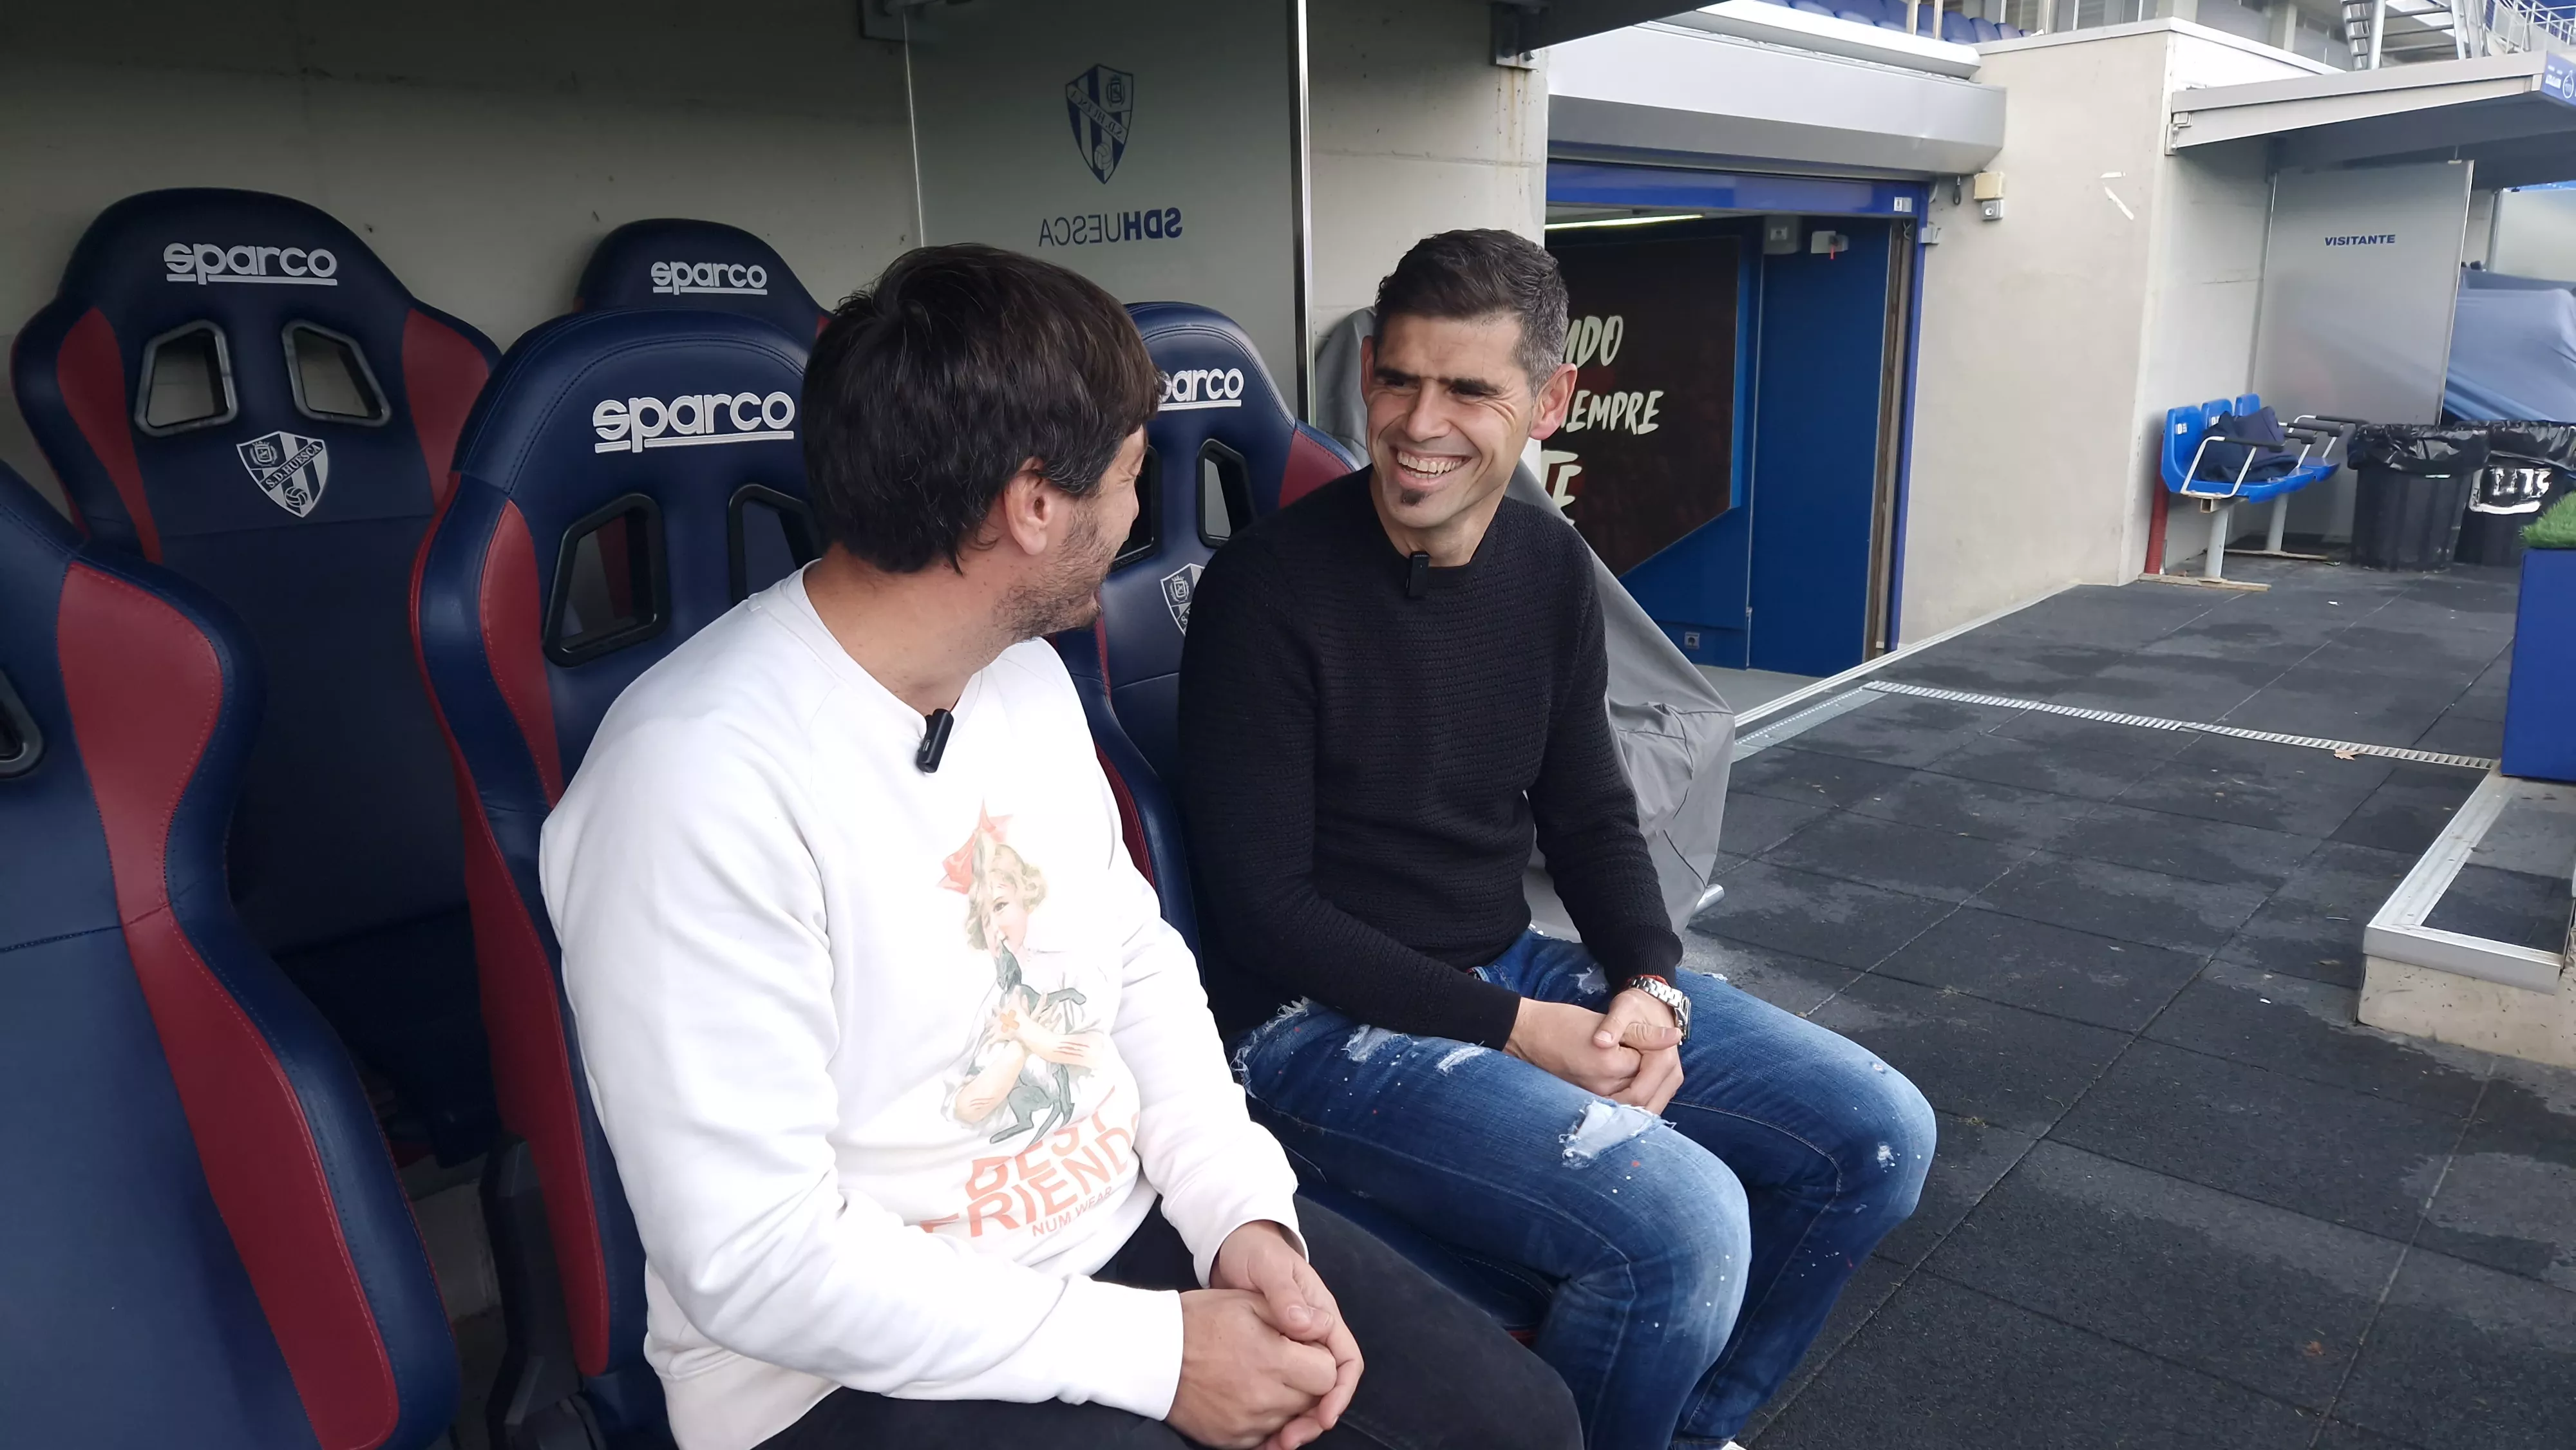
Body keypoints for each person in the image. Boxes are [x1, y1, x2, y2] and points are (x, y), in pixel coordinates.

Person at [542, 243, 1580, 1450]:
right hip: (834, 1368)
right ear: (1036, 505)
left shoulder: (1021, 679)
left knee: (1520, 1425)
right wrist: (1161, 1352)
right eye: (1132, 475)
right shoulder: (691, 780)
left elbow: (1134, 960)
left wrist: (1242, 1215)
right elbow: (758, 1260)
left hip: (1114, 1233)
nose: (1142, 516)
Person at [1177, 229, 1937, 1450]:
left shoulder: (1547, 562)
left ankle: (1686, 1430)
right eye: (1399, 379)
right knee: (1685, 1226)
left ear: (1550, 400)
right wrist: (1525, 1032)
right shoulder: (1266, 591)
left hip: (1502, 967)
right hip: (1307, 1029)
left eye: (1470, 388)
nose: (1421, 421)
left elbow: (1588, 809)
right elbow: (1267, 910)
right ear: (1367, 370)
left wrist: (1648, 982)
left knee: (1876, 1133)